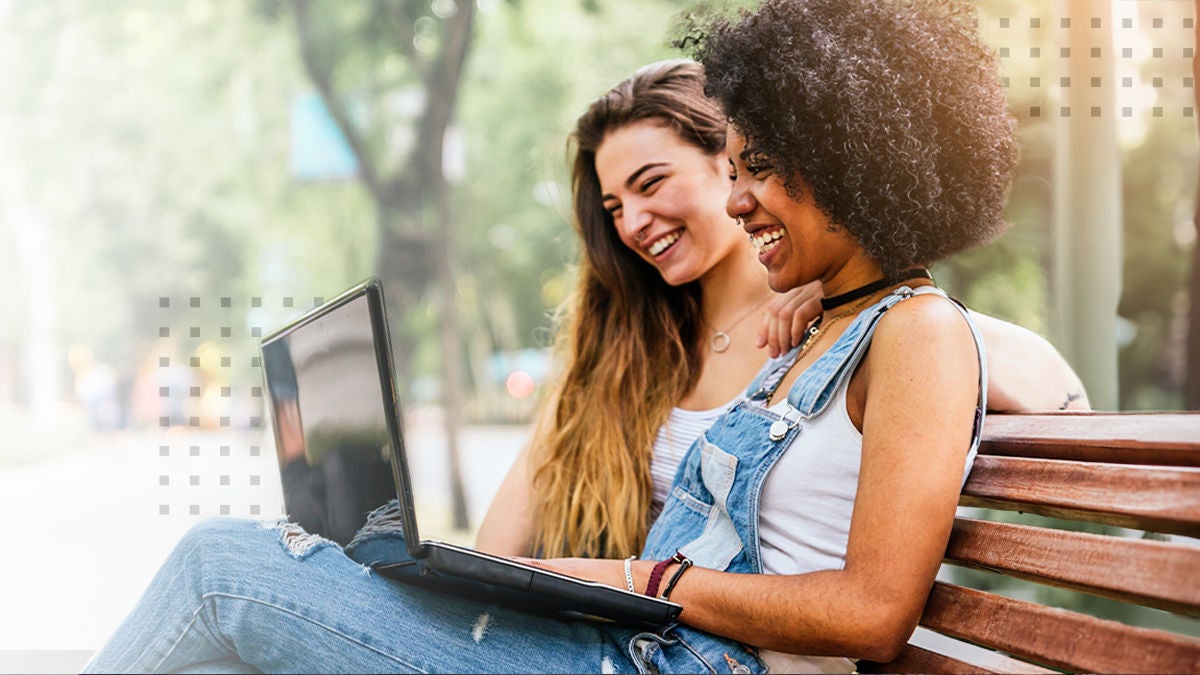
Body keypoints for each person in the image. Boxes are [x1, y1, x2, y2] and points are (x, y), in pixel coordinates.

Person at [85, 2, 1080, 671]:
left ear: (857, 158)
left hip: (661, 654)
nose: (739, 202)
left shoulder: (916, 333)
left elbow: (874, 613)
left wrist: (638, 580)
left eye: (759, 169)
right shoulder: (818, 332)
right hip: (630, 647)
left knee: (222, 563)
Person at [476, 59, 1087, 560]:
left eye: (652, 183)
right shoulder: (622, 346)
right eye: (613, 207)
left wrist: (854, 307)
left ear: (731, 162)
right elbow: (498, 546)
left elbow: (1061, 395)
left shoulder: (846, 321)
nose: (633, 223)